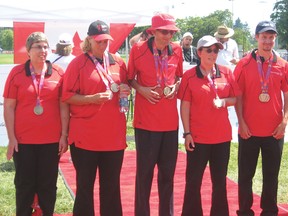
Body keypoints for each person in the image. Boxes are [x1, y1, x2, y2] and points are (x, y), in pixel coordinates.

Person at [62, 20, 130, 216]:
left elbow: (123, 85)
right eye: (99, 41)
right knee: (85, 188)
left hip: (113, 137)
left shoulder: (118, 61)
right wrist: (91, 99)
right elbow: (66, 96)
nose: (103, 45)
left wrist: (126, 90)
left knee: (111, 188)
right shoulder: (78, 63)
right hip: (86, 138)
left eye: (106, 41)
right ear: (89, 40)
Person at [3, 32, 69, 216]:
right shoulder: (16, 73)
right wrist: (11, 138)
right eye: (38, 47)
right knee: (25, 184)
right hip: (23, 141)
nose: (43, 51)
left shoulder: (58, 72)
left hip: (51, 141)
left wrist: (64, 135)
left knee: (48, 185)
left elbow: (64, 106)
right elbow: (8, 107)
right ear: (28, 51)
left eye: (46, 47)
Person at [177, 35, 241, 216]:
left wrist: (224, 102)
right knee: (193, 181)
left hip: (221, 137)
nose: (213, 54)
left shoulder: (226, 72)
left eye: (216, 50)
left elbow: (235, 98)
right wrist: (187, 133)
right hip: (197, 138)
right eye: (209, 50)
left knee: (219, 182)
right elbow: (185, 106)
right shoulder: (189, 75)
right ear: (199, 52)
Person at [127, 13, 183, 216]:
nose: (168, 35)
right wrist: (141, 89)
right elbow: (129, 78)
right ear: (153, 31)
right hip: (146, 123)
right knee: (144, 175)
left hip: (169, 123)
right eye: (164, 31)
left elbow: (179, 76)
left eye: (171, 32)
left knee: (167, 175)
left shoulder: (176, 50)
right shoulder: (138, 50)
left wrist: (175, 86)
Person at [234, 21, 288, 216]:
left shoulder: (282, 65)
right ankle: (245, 210)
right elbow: (237, 95)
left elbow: (287, 94)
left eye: (271, 37)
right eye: (264, 37)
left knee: (272, 175)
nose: (268, 41)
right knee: (246, 174)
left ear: (275, 39)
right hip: (248, 130)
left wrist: (284, 122)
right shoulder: (244, 64)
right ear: (256, 37)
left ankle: (270, 210)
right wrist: (241, 122)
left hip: (275, 131)